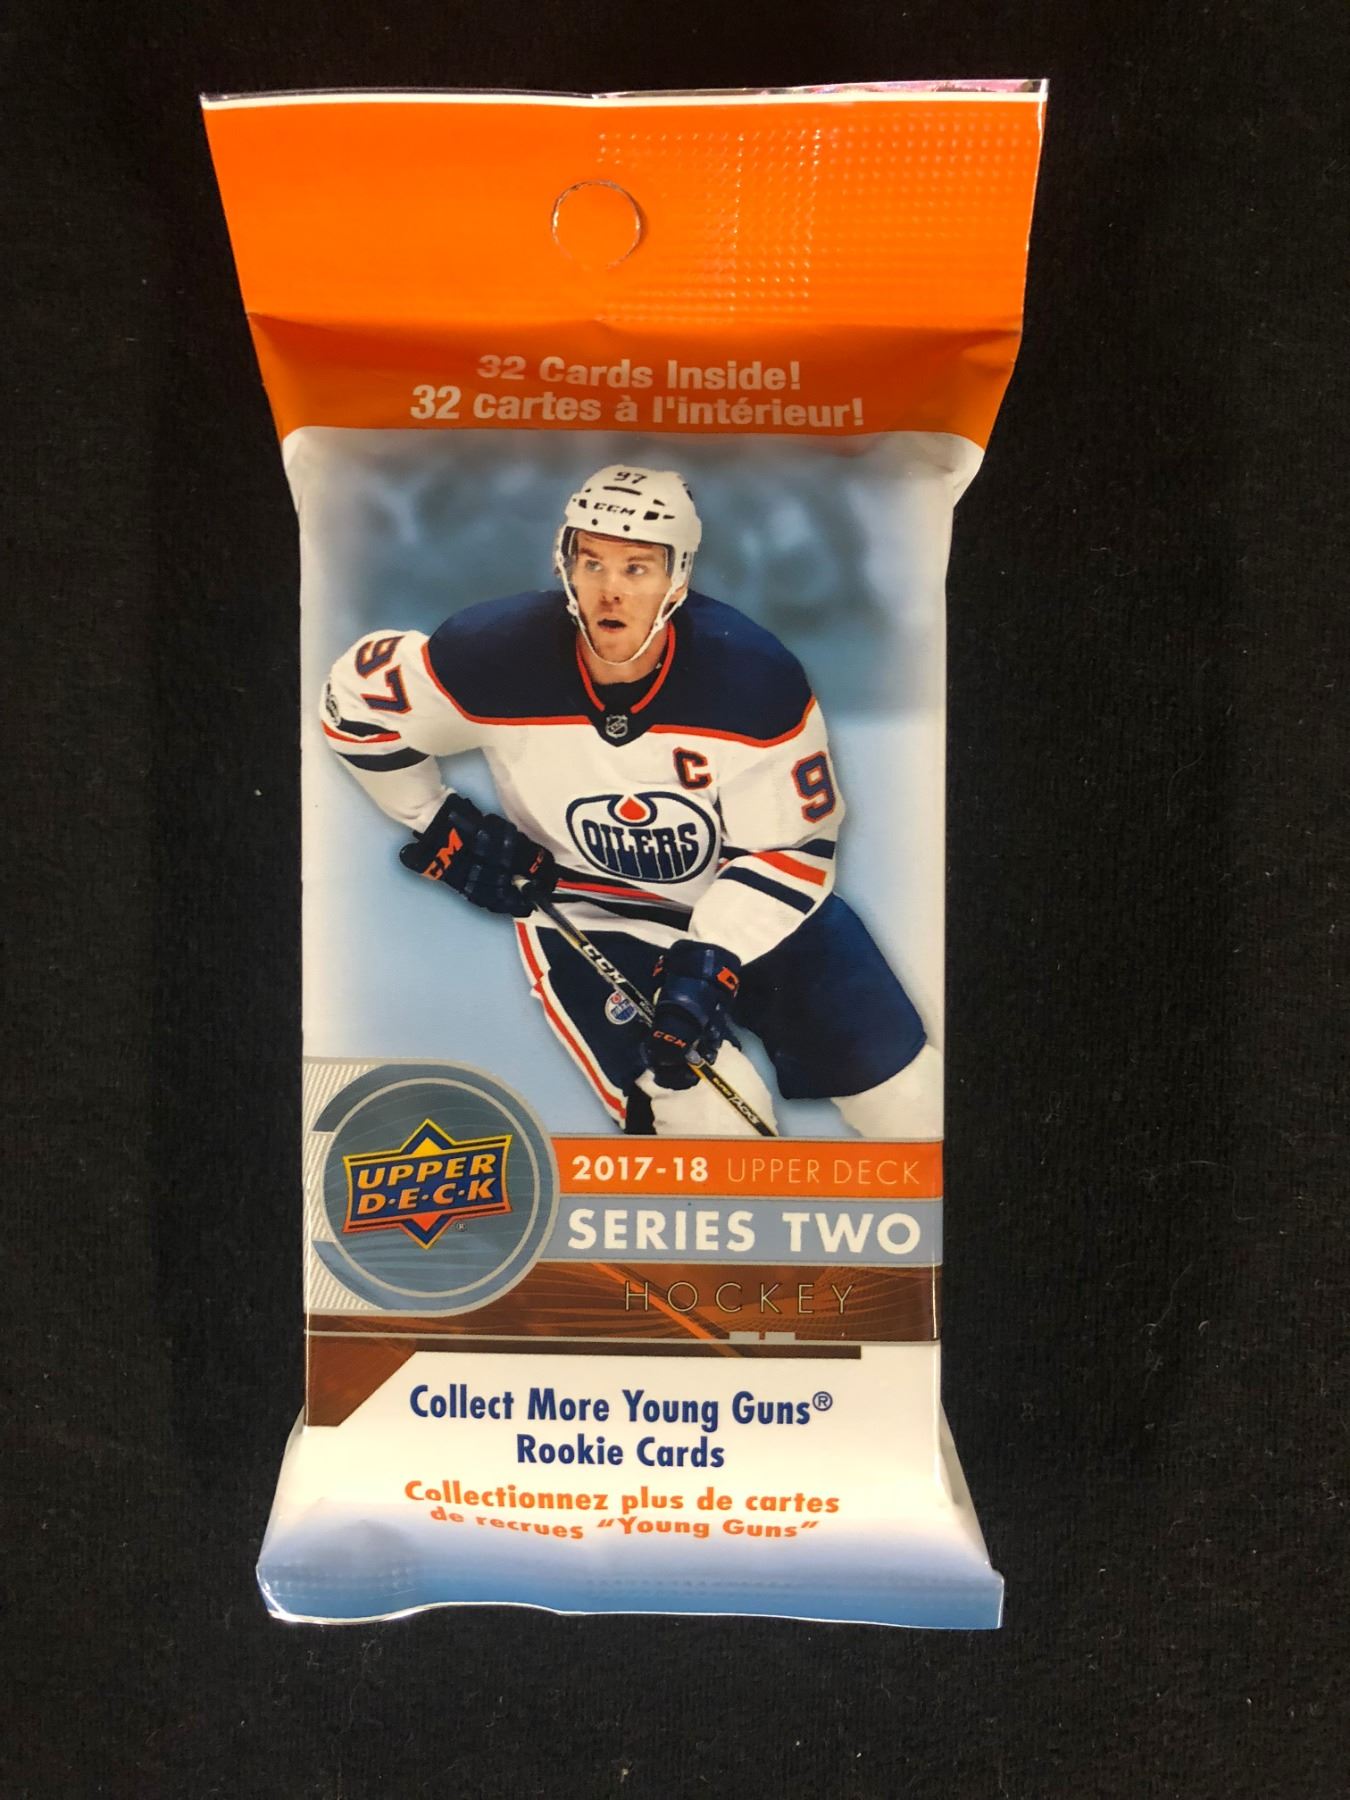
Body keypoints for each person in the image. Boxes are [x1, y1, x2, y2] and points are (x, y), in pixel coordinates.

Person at [323, 464, 941, 1138]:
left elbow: (792, 849)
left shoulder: (753, 678)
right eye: (592, 562)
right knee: (715, 1130)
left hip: (760, 912)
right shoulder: (493, 654)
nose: (609, 590)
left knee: (912, 1108)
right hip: (598, 922)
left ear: (678, 577)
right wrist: (434, 816)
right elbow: (354, 702)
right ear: (565, 564)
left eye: (637, 568)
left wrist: (711, 955)